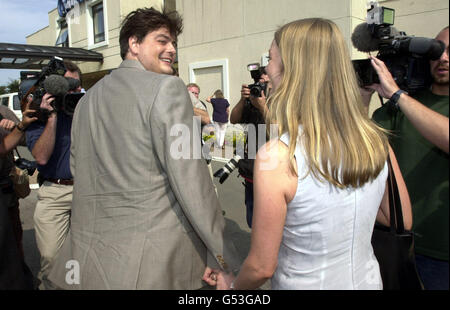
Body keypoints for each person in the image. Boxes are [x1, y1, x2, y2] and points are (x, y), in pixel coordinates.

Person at [206, 18, 412, 290]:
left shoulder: (278, 156)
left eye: (271, 58)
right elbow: (398, 218)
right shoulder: (374, 139)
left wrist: (231, 289)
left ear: (293, 71)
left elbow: (261, 267)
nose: (266, 67)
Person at [47, 7, 239, 289]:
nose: (172, 49)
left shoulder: (87, 100)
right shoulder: (169, 89)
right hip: (154, 265)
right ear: (133, 44)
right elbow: (192, 182)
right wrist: (223, 256)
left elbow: (80, 170)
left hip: (91, 264)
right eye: (162, 41)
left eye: (173, 43)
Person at [369, 26, 449, 290]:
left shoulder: (403, 101)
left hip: (443, 255)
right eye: (437, 49)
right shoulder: (407, 103)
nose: (443, 58)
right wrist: (363, 91)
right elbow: (364, 136)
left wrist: (397, 95)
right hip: (402, 244)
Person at [25, 60, 82, 290]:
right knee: (51, 257)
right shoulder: (38, 115)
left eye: (74, 85)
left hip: (86, 190)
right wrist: (52, 117)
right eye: (63, 85)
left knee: (85, 254)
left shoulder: (86, 108)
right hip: (54, 192)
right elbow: (41, 157)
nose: (70, 90)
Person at [0, 101, 37, 289]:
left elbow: (23, 141)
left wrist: (16, 127)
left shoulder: (3, 111)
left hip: (5, 190)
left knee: (13, 243)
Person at [229, 67, 270, 228]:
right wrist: (243, 99)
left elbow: (280, 130)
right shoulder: (252, 100)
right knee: (252, 220)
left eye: (265, 83)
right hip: (251, 173)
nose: (261, 87)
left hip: (271, 172)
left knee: (269, 224)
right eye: (259, 83)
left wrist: (263, 107)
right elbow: (233, 119)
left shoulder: (281, 101)